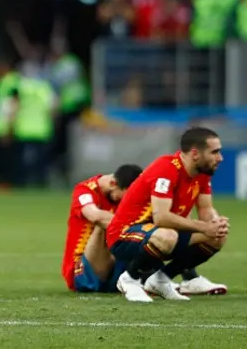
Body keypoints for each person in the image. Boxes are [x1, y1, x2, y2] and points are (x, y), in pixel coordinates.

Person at [107, 127, 229, 302]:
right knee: (168, 235)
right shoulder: (166, 169)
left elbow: (206, 210)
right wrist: (204, 227)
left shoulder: (201, 174)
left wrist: (216, 224)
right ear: (195, 154)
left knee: (217, 236)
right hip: (124, 235)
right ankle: (129, 279)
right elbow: (162, 217)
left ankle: (160, 280)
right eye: (215, 152)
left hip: (158, 234)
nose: (220, 158)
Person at [62, 164, 143, 292]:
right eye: (124, 197)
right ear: (112, 183)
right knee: (103, 221)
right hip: (81, 270)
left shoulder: (122, 194)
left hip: (113, 263)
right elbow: (94, 215)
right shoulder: (85, 191)